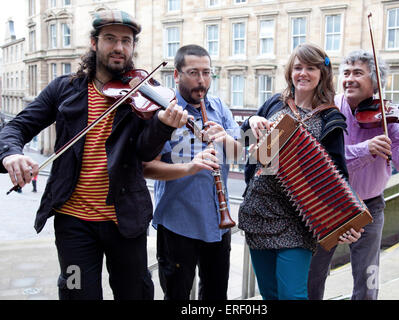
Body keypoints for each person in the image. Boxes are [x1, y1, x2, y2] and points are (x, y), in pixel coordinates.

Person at [0, 9, 188, 300]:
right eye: (110, 38)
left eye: (126, 41)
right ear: (94, 42)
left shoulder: (143, 95)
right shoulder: (64, 89)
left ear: (133, 47)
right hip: (73, 224)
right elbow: (17, 127)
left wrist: (162, 126)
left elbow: (144, 153)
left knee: (135, 293)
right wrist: (11, 154)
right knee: (76, 292)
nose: (119, 47)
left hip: (125, 220)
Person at [307, 49, 399, 300]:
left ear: (376, 80)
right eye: (346, 72)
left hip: (368, 207)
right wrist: (366, 149)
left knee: (368, 279)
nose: (349, 78)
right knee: (313, 276)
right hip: (327, 205)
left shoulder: (387, 116)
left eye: (358, 73)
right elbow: (321, 158)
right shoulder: (327, 108)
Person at [238, 43, 362, 300]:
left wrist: (347, 219)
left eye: (310, 68)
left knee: (292, 295)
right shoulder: (274, 103)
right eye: (298, 68)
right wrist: (249, 123)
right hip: (258, 212)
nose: (303, 73)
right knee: (269, 294)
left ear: (322, 73)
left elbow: (338, 174)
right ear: (290, 72)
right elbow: (246, 147)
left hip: (298, 221)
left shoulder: (331, 119)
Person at [142, 44, 242, 300]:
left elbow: (239, 156)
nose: (202, 80)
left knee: (216, 297)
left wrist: (224, 139)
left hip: (218, 225)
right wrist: (190, 166)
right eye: (193, 72)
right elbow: (147, 167)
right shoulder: (163, 111)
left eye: (207, 72)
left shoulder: (218, 106)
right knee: (177, 297)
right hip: (178, 225)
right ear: (176, 75)